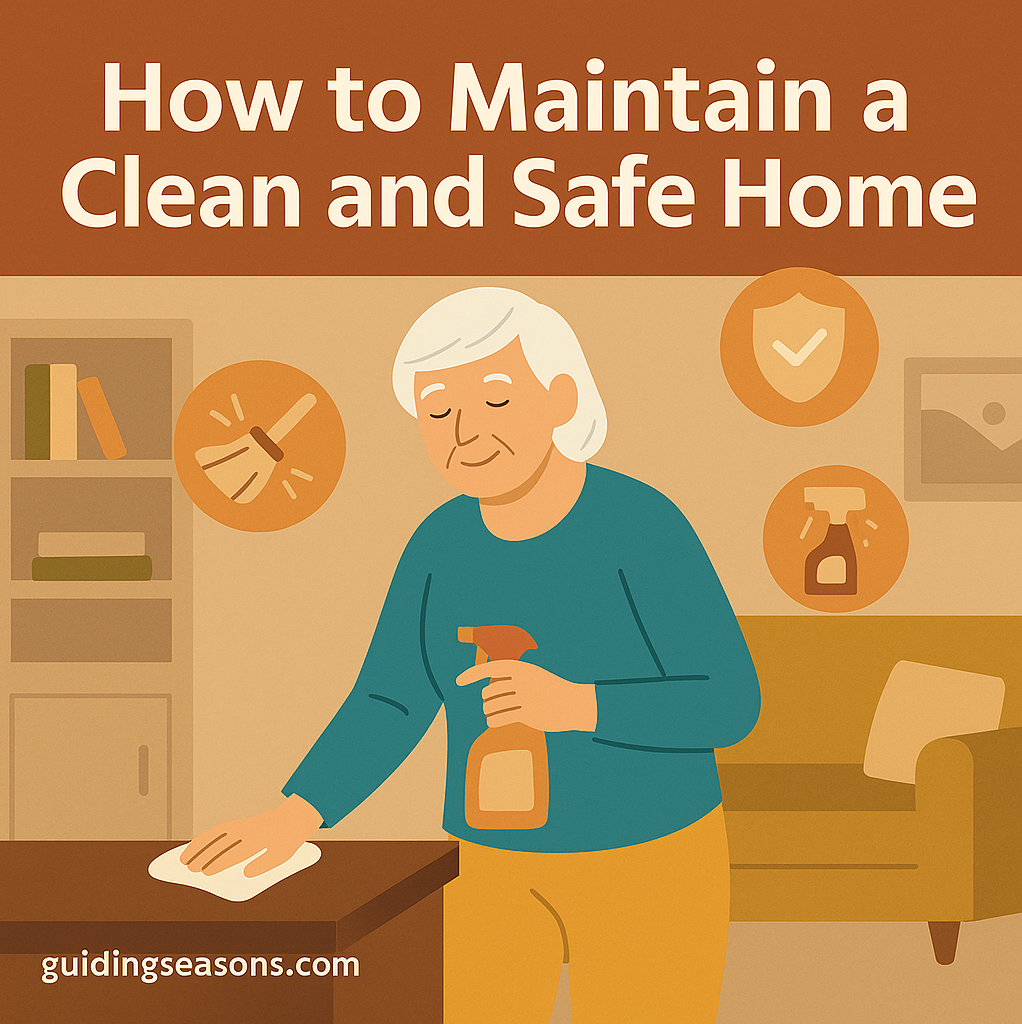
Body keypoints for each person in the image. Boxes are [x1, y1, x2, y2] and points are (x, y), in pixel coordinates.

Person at [182, 287, 761, 1023]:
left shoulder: (641, 524)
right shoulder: (439, 545)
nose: (465, 433)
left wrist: (578, 705)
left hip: (650, 857)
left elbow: (729, 700)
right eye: (437, 412)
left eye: (494, 402)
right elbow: (390, 698)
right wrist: (297, 812)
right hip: (489, 864)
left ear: (559, 399)